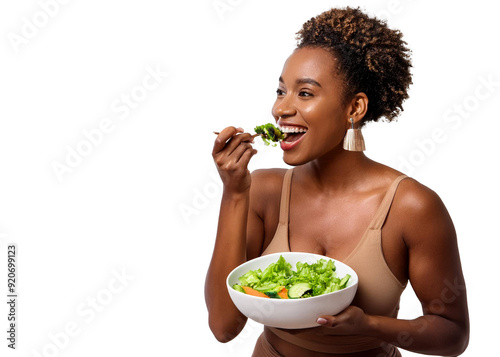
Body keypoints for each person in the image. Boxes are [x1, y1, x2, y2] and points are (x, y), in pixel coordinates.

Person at [205, 7, 469, 357]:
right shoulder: (262, 192)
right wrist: (234, 194)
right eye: (281, 90)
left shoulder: (412, 207)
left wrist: (371, 326)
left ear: (355, 108)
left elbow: (452, 335)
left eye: (305, 93)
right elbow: (224, 327)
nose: (280, 109)